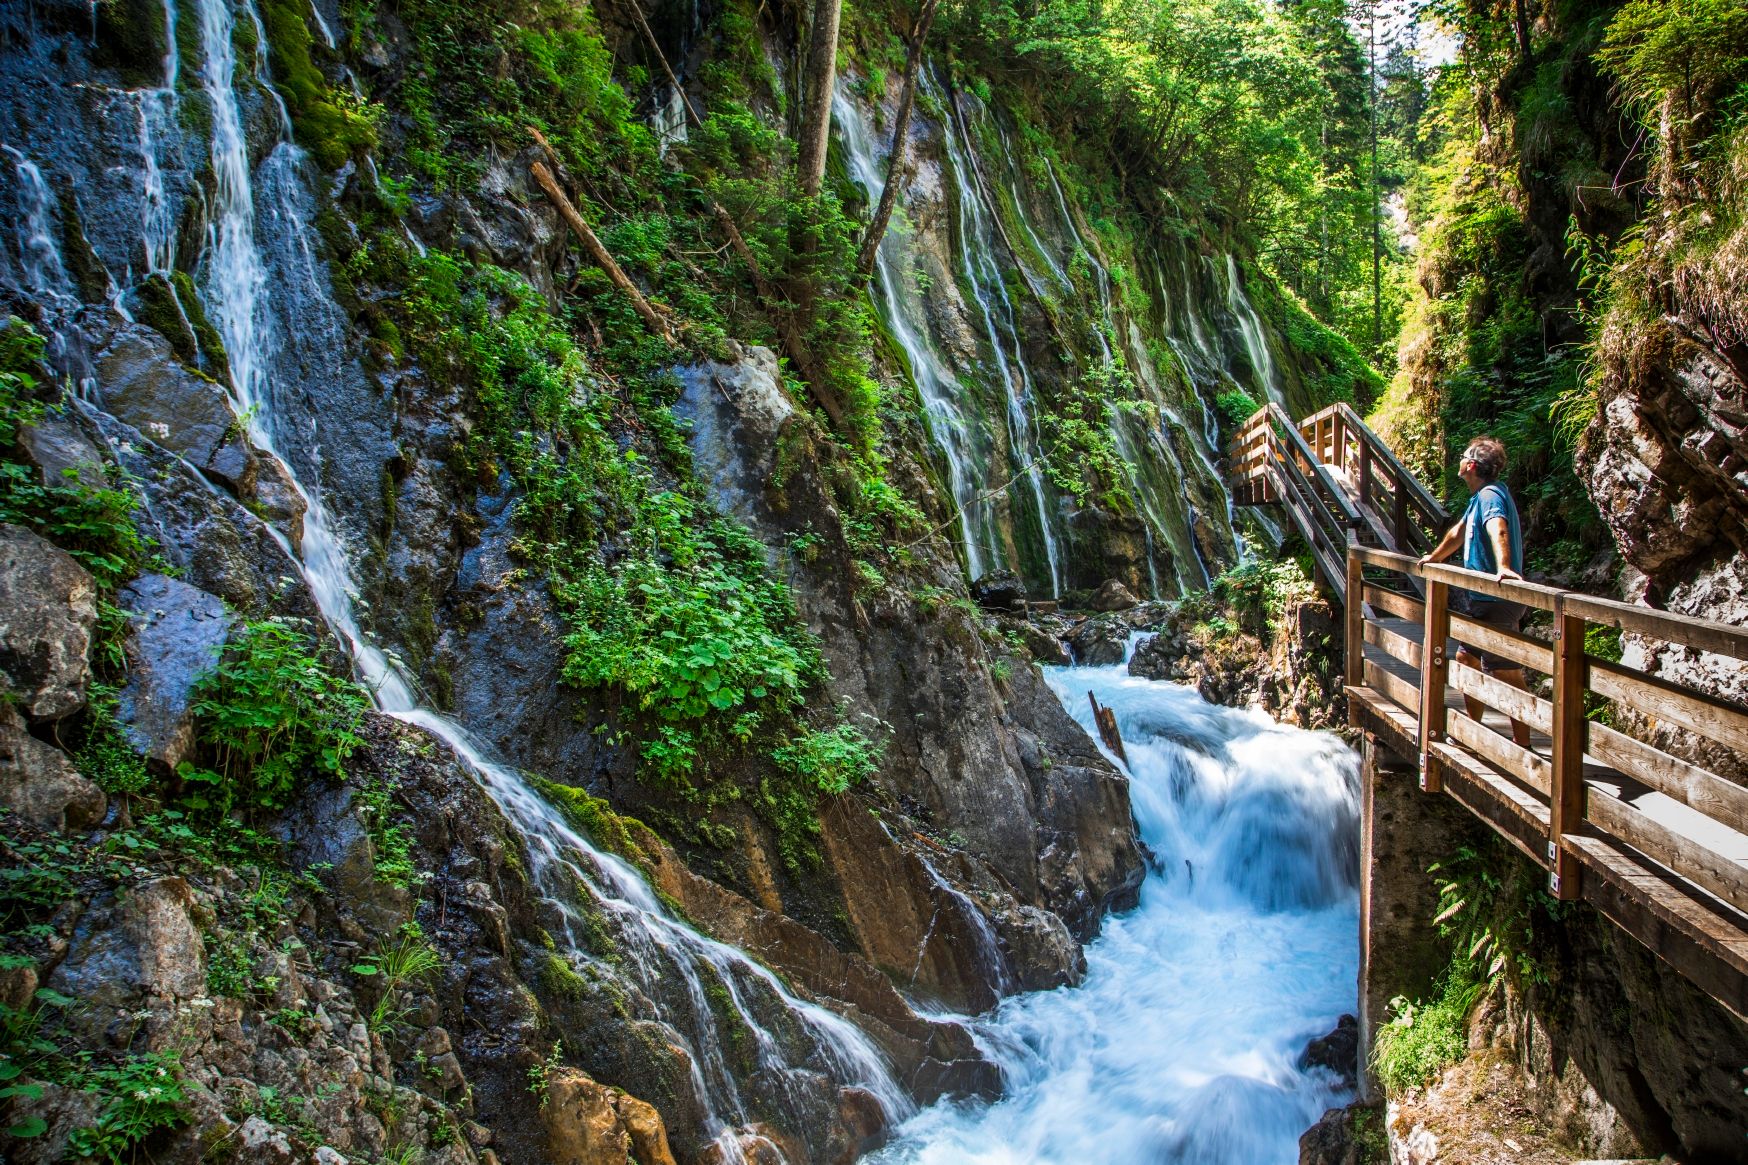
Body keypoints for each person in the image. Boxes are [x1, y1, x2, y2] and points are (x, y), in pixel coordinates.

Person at [1417, 436, 1532, 748]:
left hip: (1496, 600)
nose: (1459, 461)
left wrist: (1505, 566)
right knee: (1466, 660)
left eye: (1463, 457)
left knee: (1506, 671)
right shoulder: (1478, 498)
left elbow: (1498, 525)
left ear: (1470, 465)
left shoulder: (1491, 495)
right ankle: (1470, 731)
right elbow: (1457, 533)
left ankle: (1524, 744)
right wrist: (1434, 558)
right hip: (1481, 600)